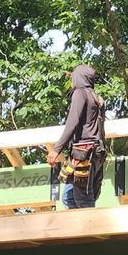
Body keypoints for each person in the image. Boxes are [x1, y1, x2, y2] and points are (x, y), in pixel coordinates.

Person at [48, 65, 106, 209]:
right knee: (69, 196)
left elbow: (72, 122)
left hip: (84, 152)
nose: (72, 81)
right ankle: (79, 227)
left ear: (79, 78)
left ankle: (91, 229)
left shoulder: (80, 93)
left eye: (73, 77)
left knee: (83, 199)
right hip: (95, 151)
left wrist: (56, 150)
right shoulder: (95, 97)